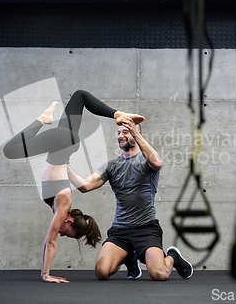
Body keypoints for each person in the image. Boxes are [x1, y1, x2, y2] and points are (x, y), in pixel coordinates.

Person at [2, 90, 144, 283]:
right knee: (10, 150)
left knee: (80, 97)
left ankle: (118, 114)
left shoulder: (61, 204)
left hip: (65, 144)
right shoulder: (63, 205)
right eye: (67, 233)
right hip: (63, 142)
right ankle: (43, 119)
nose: (61, 233)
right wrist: (46, 275)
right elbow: (50, 242)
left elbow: (80, 183)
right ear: (68, 221)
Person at [67, 117, 193, 281]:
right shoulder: (111, 166)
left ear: (137, 133)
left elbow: (157, 163)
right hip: (120, 230)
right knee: (102, 272)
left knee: (159, 274)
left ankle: (172, 257)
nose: (120, 135)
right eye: (119, 132)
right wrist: (63, 165)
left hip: (146, 228)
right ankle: (129, 257)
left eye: (125, 131)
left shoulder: (146, 161)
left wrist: (134, 131)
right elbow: (85, 186)